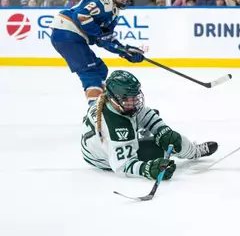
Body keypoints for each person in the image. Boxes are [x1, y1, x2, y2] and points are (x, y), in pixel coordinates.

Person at [81, 70, 218, 179]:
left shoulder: (107, 100)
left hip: (97, 148)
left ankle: (140, 137)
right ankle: (194, 151)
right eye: (129, 99)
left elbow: (146, 115)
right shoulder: (116, 127)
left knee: (161, 128)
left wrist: (163, 130)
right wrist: (148, 169)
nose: (135, 101)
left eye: (135, 96)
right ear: (115, 98)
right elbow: (122, 166)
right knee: (171, 145)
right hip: (104, 159)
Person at [50, 0, 144, 104]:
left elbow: (105, 38)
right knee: (91, 73)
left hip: (70, 35)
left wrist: (124, 51)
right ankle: (95, 111)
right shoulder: (104, 0)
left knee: (101, 69)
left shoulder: (114, 10)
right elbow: (81, 16)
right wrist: (98, 34)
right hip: (67, 33)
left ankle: (101, 102)